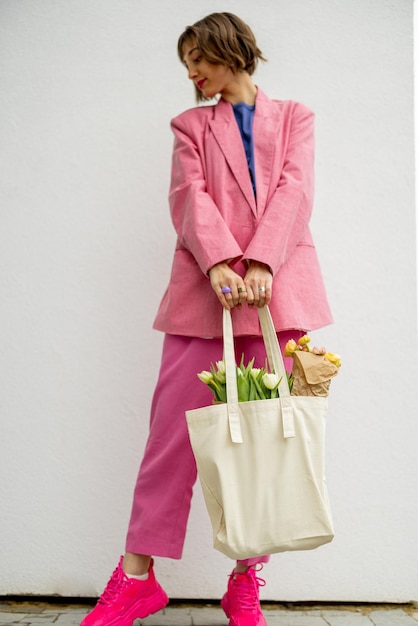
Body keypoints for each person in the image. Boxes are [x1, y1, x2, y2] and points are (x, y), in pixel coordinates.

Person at [80, 12, 332, 626]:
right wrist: (220, 260)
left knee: (269, 443)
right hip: (205, 296)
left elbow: (295, 191)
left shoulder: (296, 116)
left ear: (232, 50)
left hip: (279, 299)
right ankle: (136, 578)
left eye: (200, 57)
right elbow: (187, 194)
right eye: (186, 62)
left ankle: (246, 583)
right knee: (172, 439)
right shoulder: (190, 124)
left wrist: (263, 263)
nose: (192, 72)